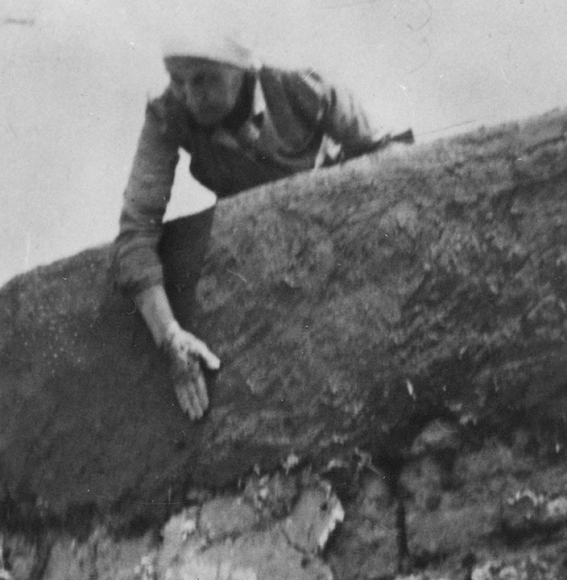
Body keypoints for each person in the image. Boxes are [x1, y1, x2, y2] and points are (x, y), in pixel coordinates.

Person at [113, 33, 411, 421]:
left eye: (203, 79)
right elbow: (136, 232)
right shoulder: (167, 112)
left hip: (330, 225)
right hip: (261, 253)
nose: (187, 94)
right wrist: (170, 337)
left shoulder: (298, 83)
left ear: (241, 71)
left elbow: (385, 155)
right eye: (176, 79)